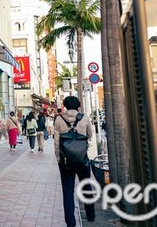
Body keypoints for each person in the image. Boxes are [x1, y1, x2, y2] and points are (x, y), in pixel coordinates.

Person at [54, 96, 95, 226]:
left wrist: (59, 159)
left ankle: (71, 223)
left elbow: (56, 142)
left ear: (65, 106)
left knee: (67, 191)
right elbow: (90, 134)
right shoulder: (84, 117)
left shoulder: (59, 119)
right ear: (78, 105)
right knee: (87, 186)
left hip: (66, 160)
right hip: (82, 159)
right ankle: (91, 215)